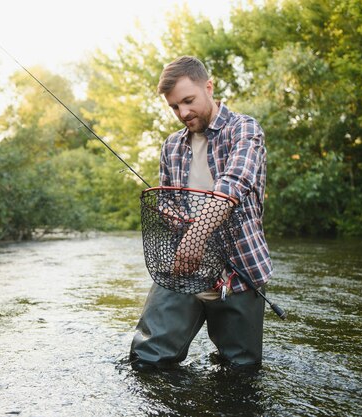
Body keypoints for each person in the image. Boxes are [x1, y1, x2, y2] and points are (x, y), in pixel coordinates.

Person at [130, 56, 273, 371]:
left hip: (240, 272)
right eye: (174, 107)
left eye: (188, 101)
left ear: (208, 87)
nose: (182, 113)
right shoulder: (171, 147)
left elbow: (234, 183)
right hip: (183, 269)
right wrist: (171, 214)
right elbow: (168, 200)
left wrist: (197, 233)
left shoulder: (244, 129)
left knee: (240, 373)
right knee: (146, 361)